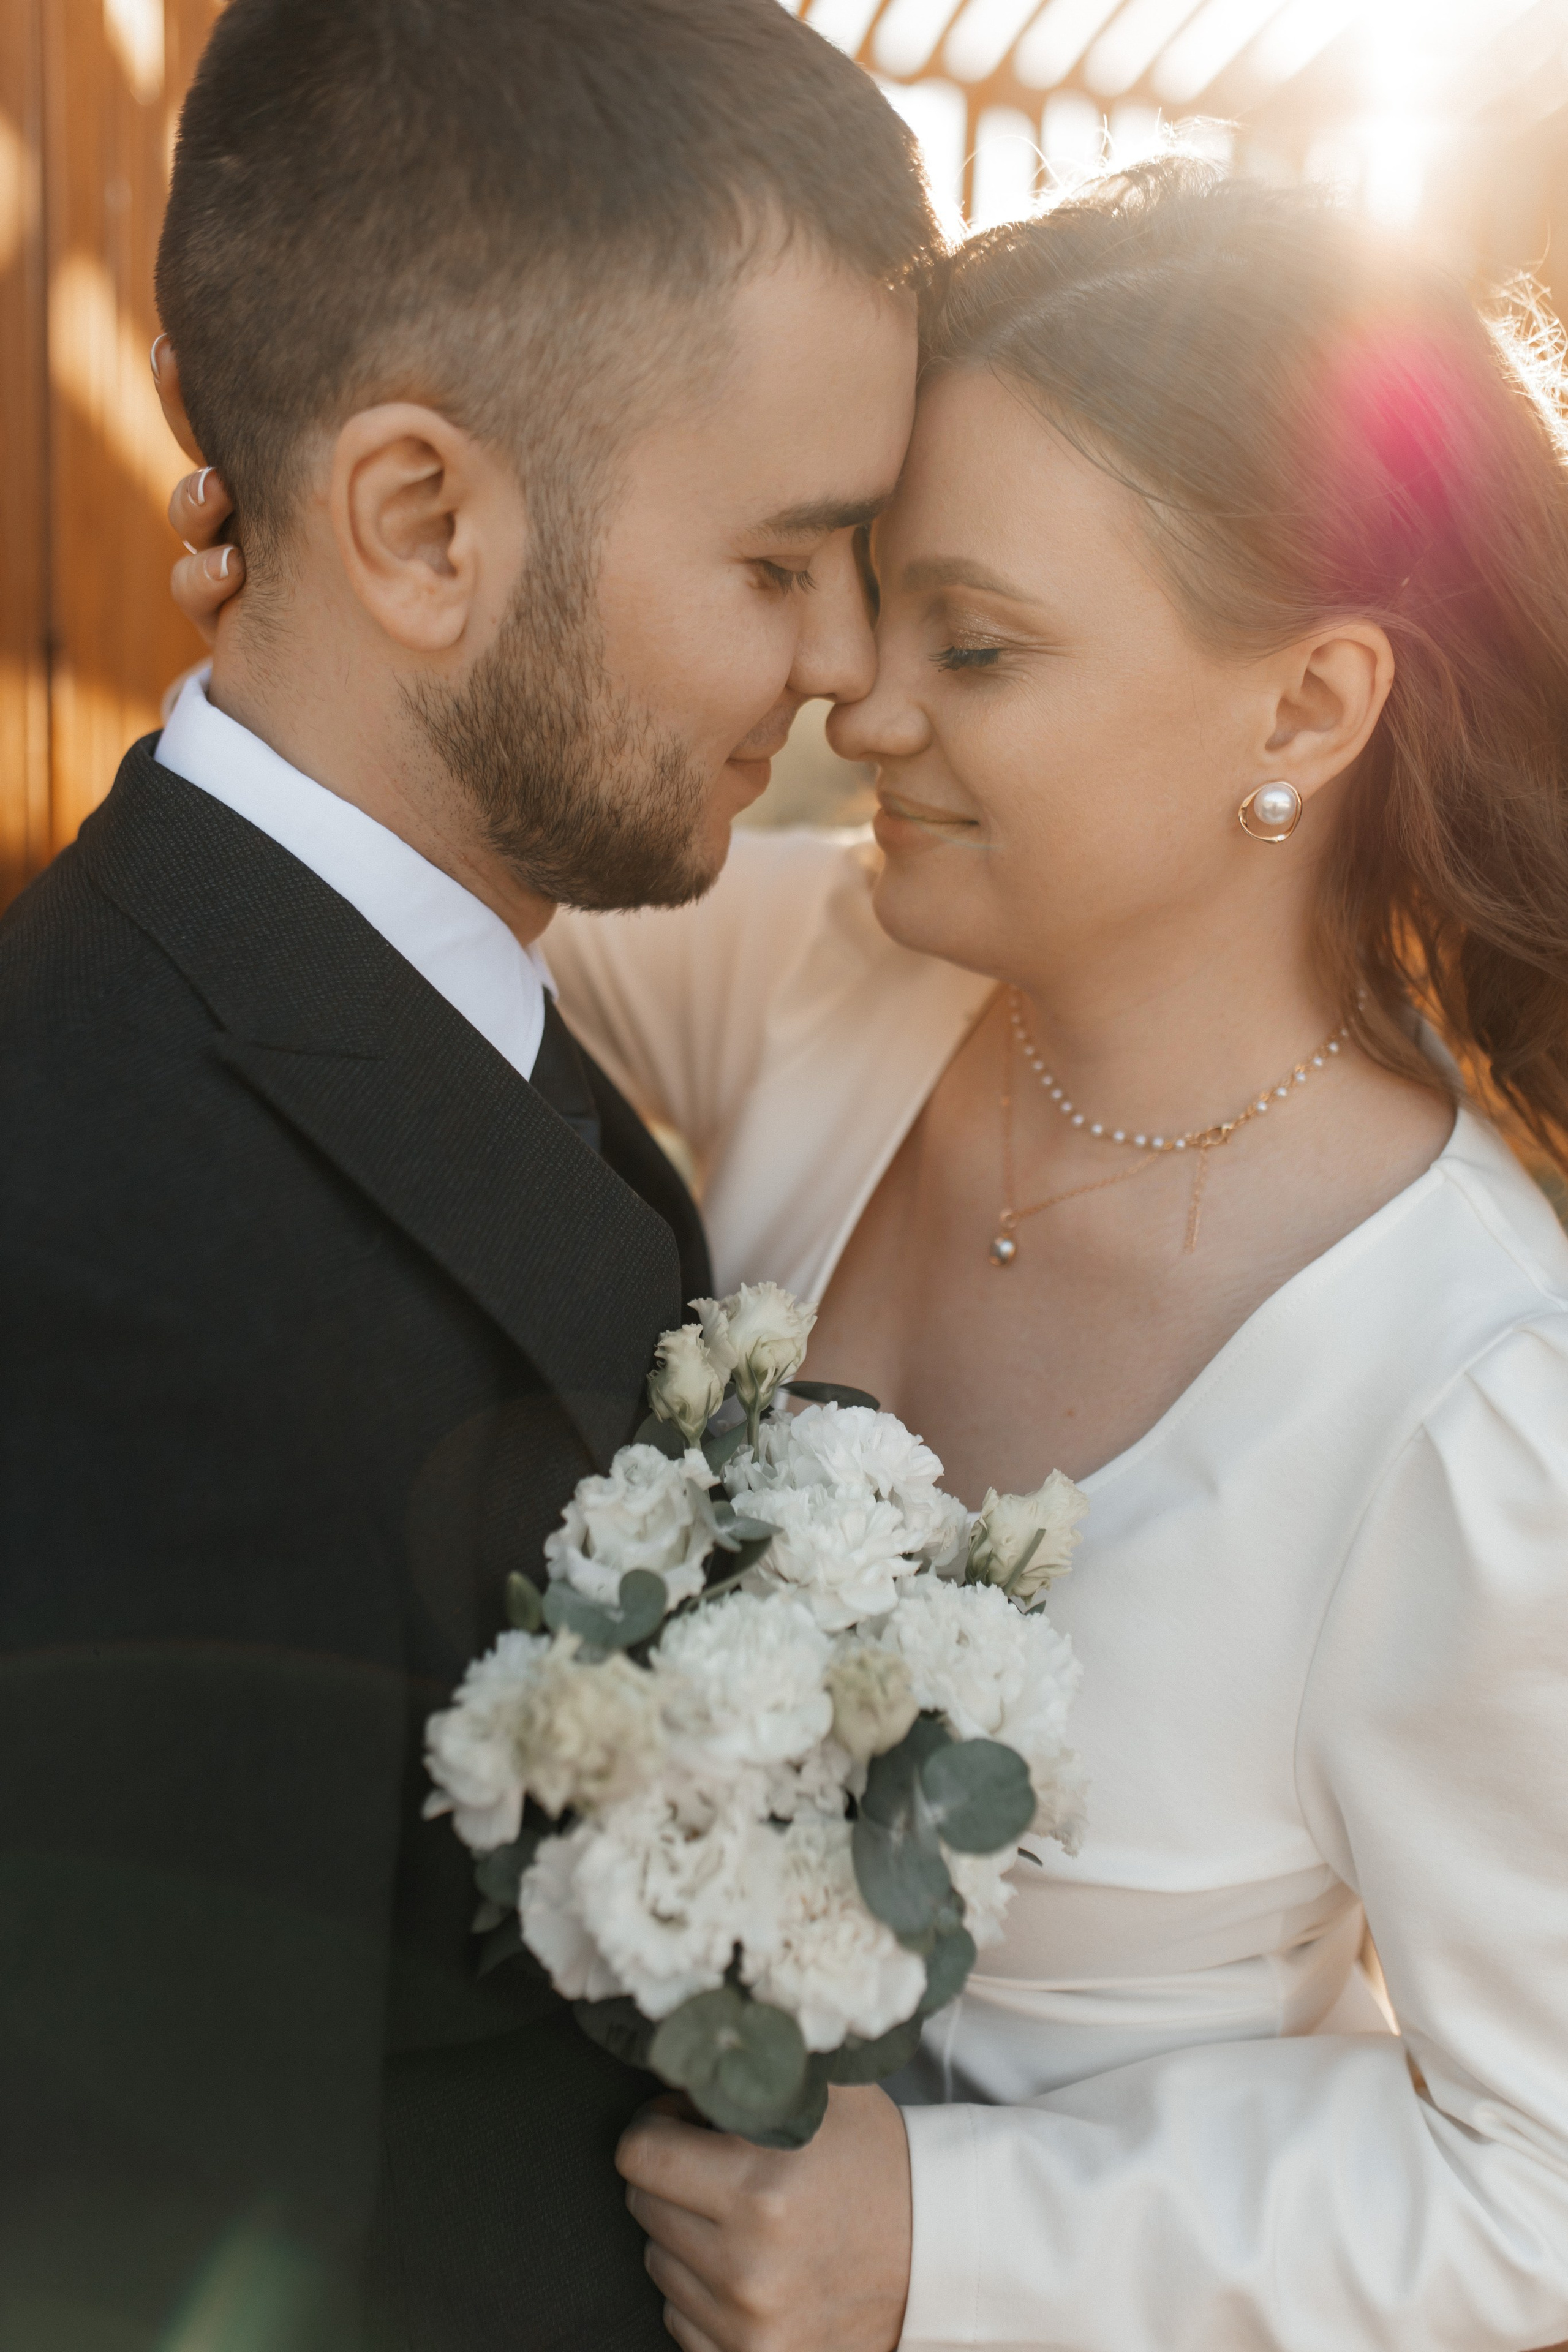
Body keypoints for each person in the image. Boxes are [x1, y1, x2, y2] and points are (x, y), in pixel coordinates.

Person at [182, 162, 1568, 2350]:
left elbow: (1545, 2184)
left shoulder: (1478, 1397)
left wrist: (962, 2238)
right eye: (854, 593)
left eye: (975, 643)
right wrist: (348, 617)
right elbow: (419, 874)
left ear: (1305, 712)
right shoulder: (830, 976)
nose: (853, 697)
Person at [0, 2, 936, 2345]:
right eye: (786, 558)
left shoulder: (433, 989)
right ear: (423, 522)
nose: (844, 661)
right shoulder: (108, 1250)